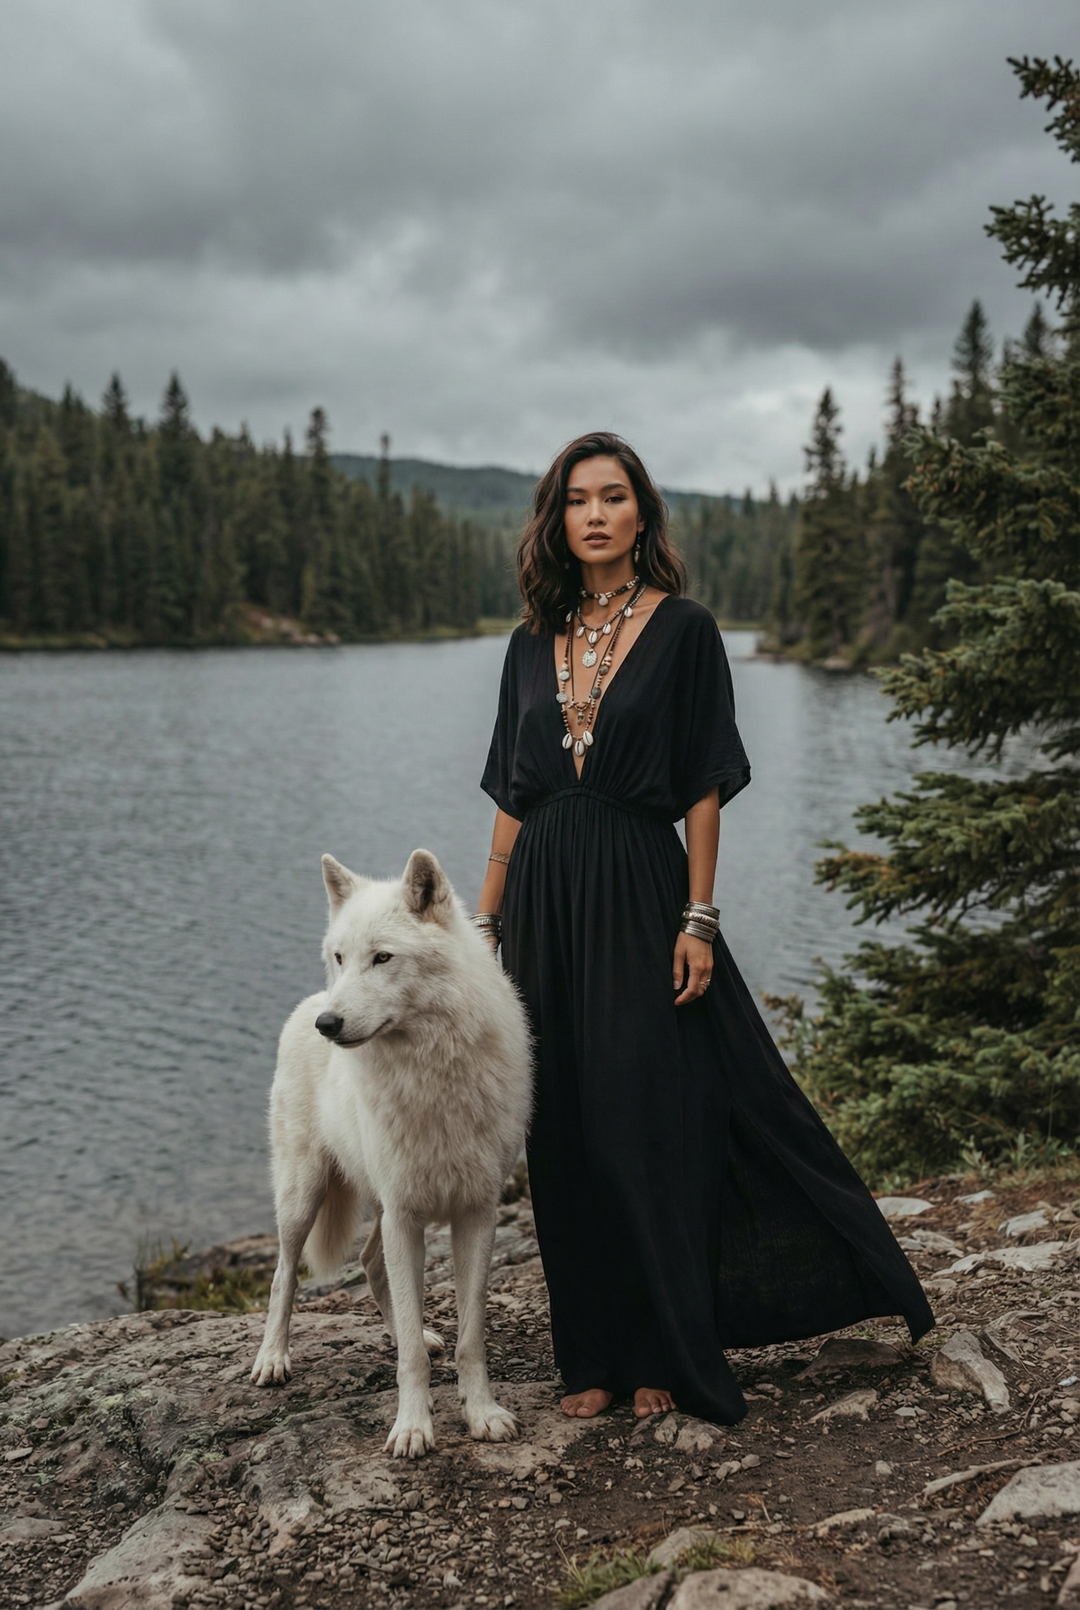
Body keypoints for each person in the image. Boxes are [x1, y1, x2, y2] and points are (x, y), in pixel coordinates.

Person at [476, 431, 932, 1426]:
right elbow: (512, 793)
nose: (594, 513)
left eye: (613, 496)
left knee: (651, 1116)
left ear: (642, 514)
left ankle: (667, 1351)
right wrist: (484, 918)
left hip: (642, 886)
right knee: (567, 1130)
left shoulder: (684, 629)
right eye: (576, 500)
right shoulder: (525, 642)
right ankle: (587, 1354)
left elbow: (702, 787)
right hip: (545, 897)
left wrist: (699, 915)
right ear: (557, 521)